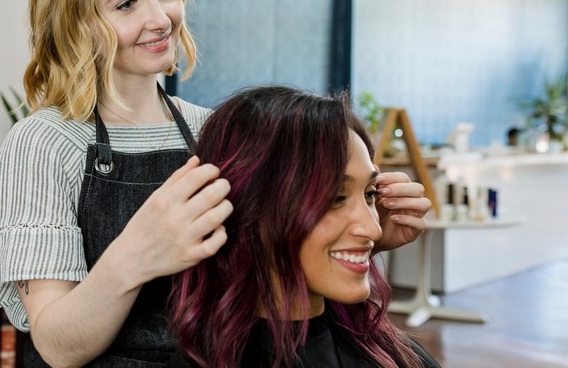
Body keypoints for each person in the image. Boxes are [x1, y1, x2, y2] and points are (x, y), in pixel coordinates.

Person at [0, 0, 431, 366]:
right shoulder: (45, 143)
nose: (161, 18)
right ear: (76, 20)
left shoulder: (211, 129)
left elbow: (265, 270)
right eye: (126, 4)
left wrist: (359, 232)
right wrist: (134, 256)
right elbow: (56, 346)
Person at [170, 86, 440, 368]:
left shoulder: (396, 356)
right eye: (335, 197)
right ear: (250, 205)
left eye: (370, 193)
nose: (374, 230)